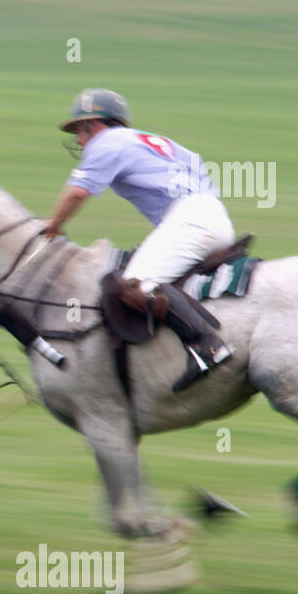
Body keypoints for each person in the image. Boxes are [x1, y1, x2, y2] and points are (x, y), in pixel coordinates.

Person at [44, 88, 235, 391]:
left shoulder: (106, 142)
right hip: (214, 216)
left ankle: (208, 346)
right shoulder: (159, 144)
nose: (79, 141)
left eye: (79, 131)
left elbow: (78, 192)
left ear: (93, 124)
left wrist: (53, 225)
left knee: (135, 284)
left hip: (191, 221)